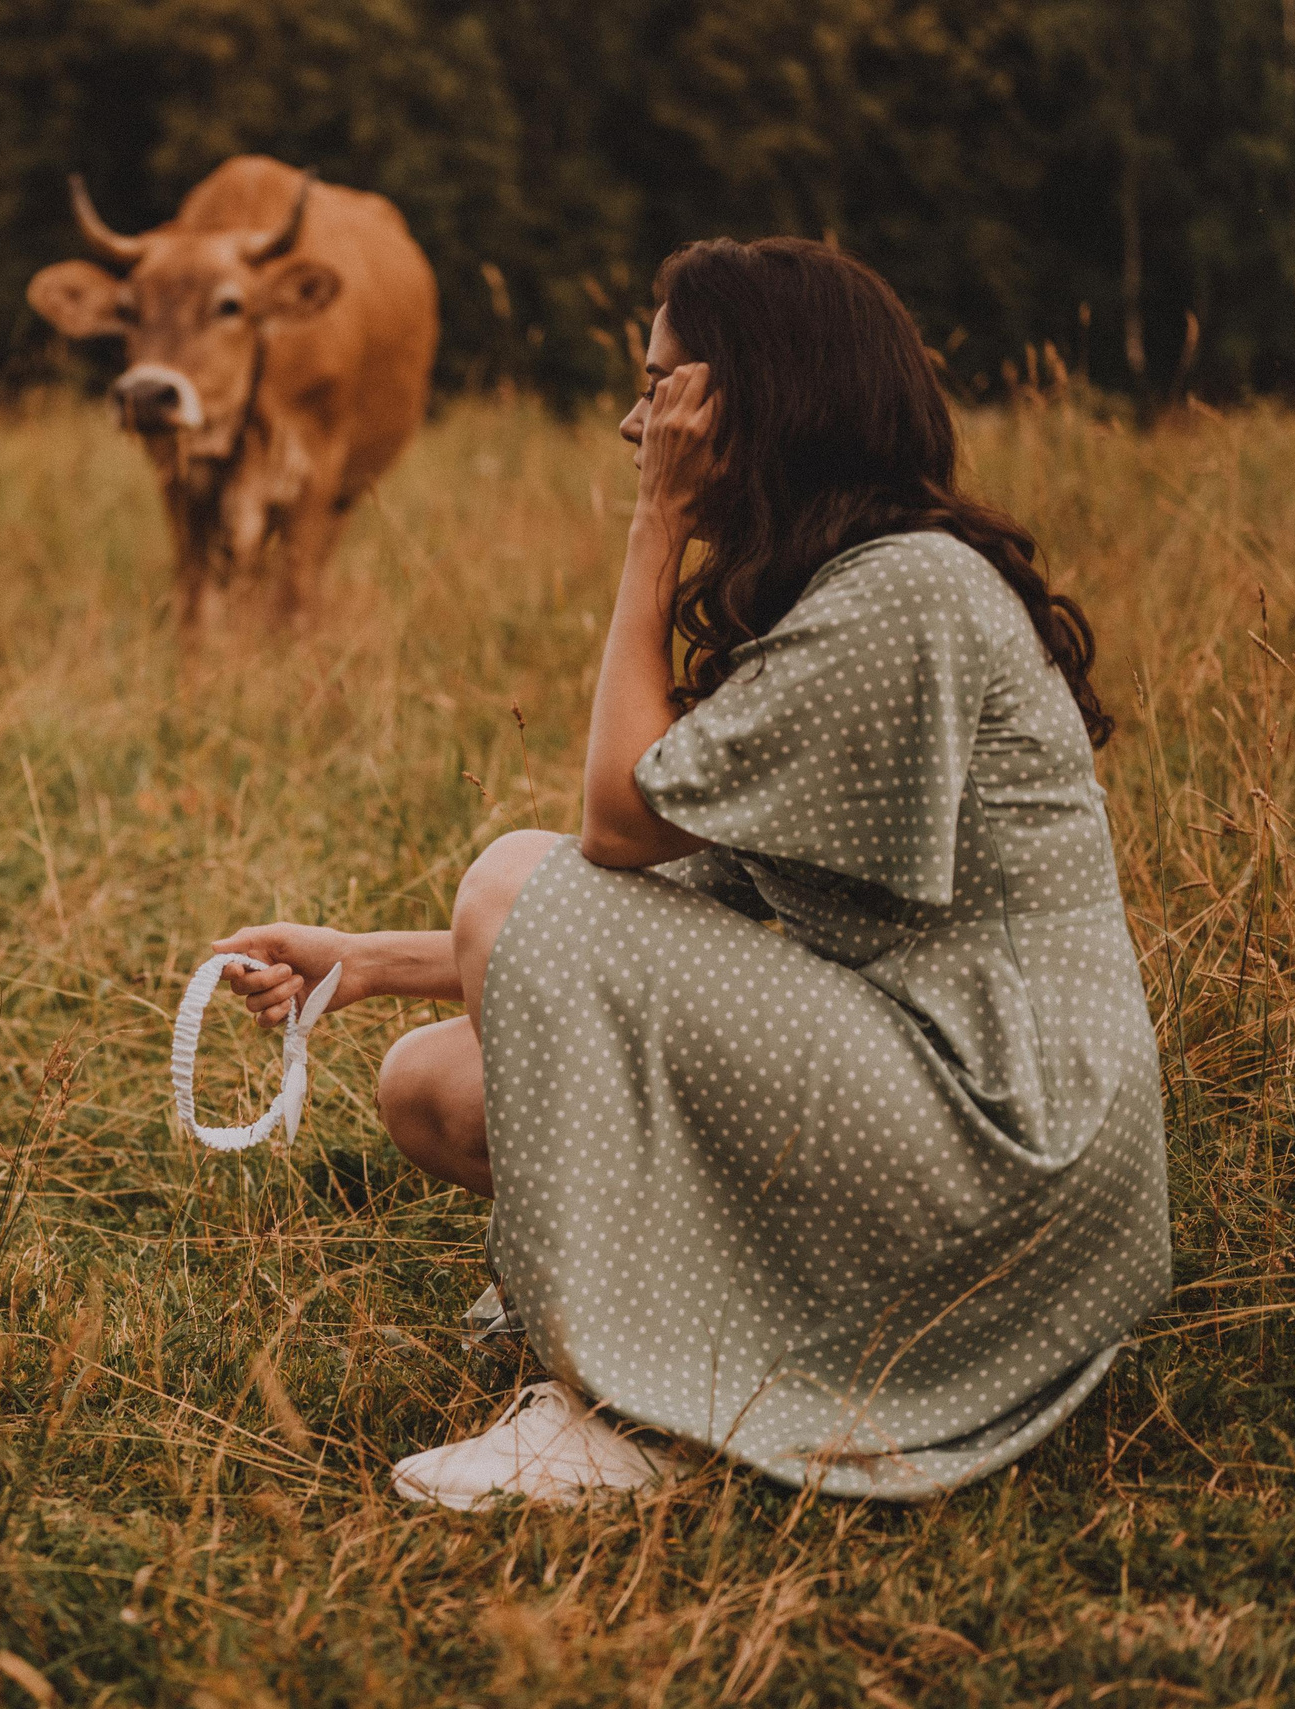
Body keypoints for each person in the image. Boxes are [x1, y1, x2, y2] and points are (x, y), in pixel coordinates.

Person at [214, 237, 1170, 1502]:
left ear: (757, 400)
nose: (635, 424)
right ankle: (718, 1352)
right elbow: (681, 900)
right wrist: (365, 964)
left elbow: (611, 826)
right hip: (934, 1101)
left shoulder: (911, 592)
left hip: (1005, 1138)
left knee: (514, 871)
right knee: (434, 1083)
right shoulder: (845, 589)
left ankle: (613, 1408)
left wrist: (655, 526)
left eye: (662, 390)